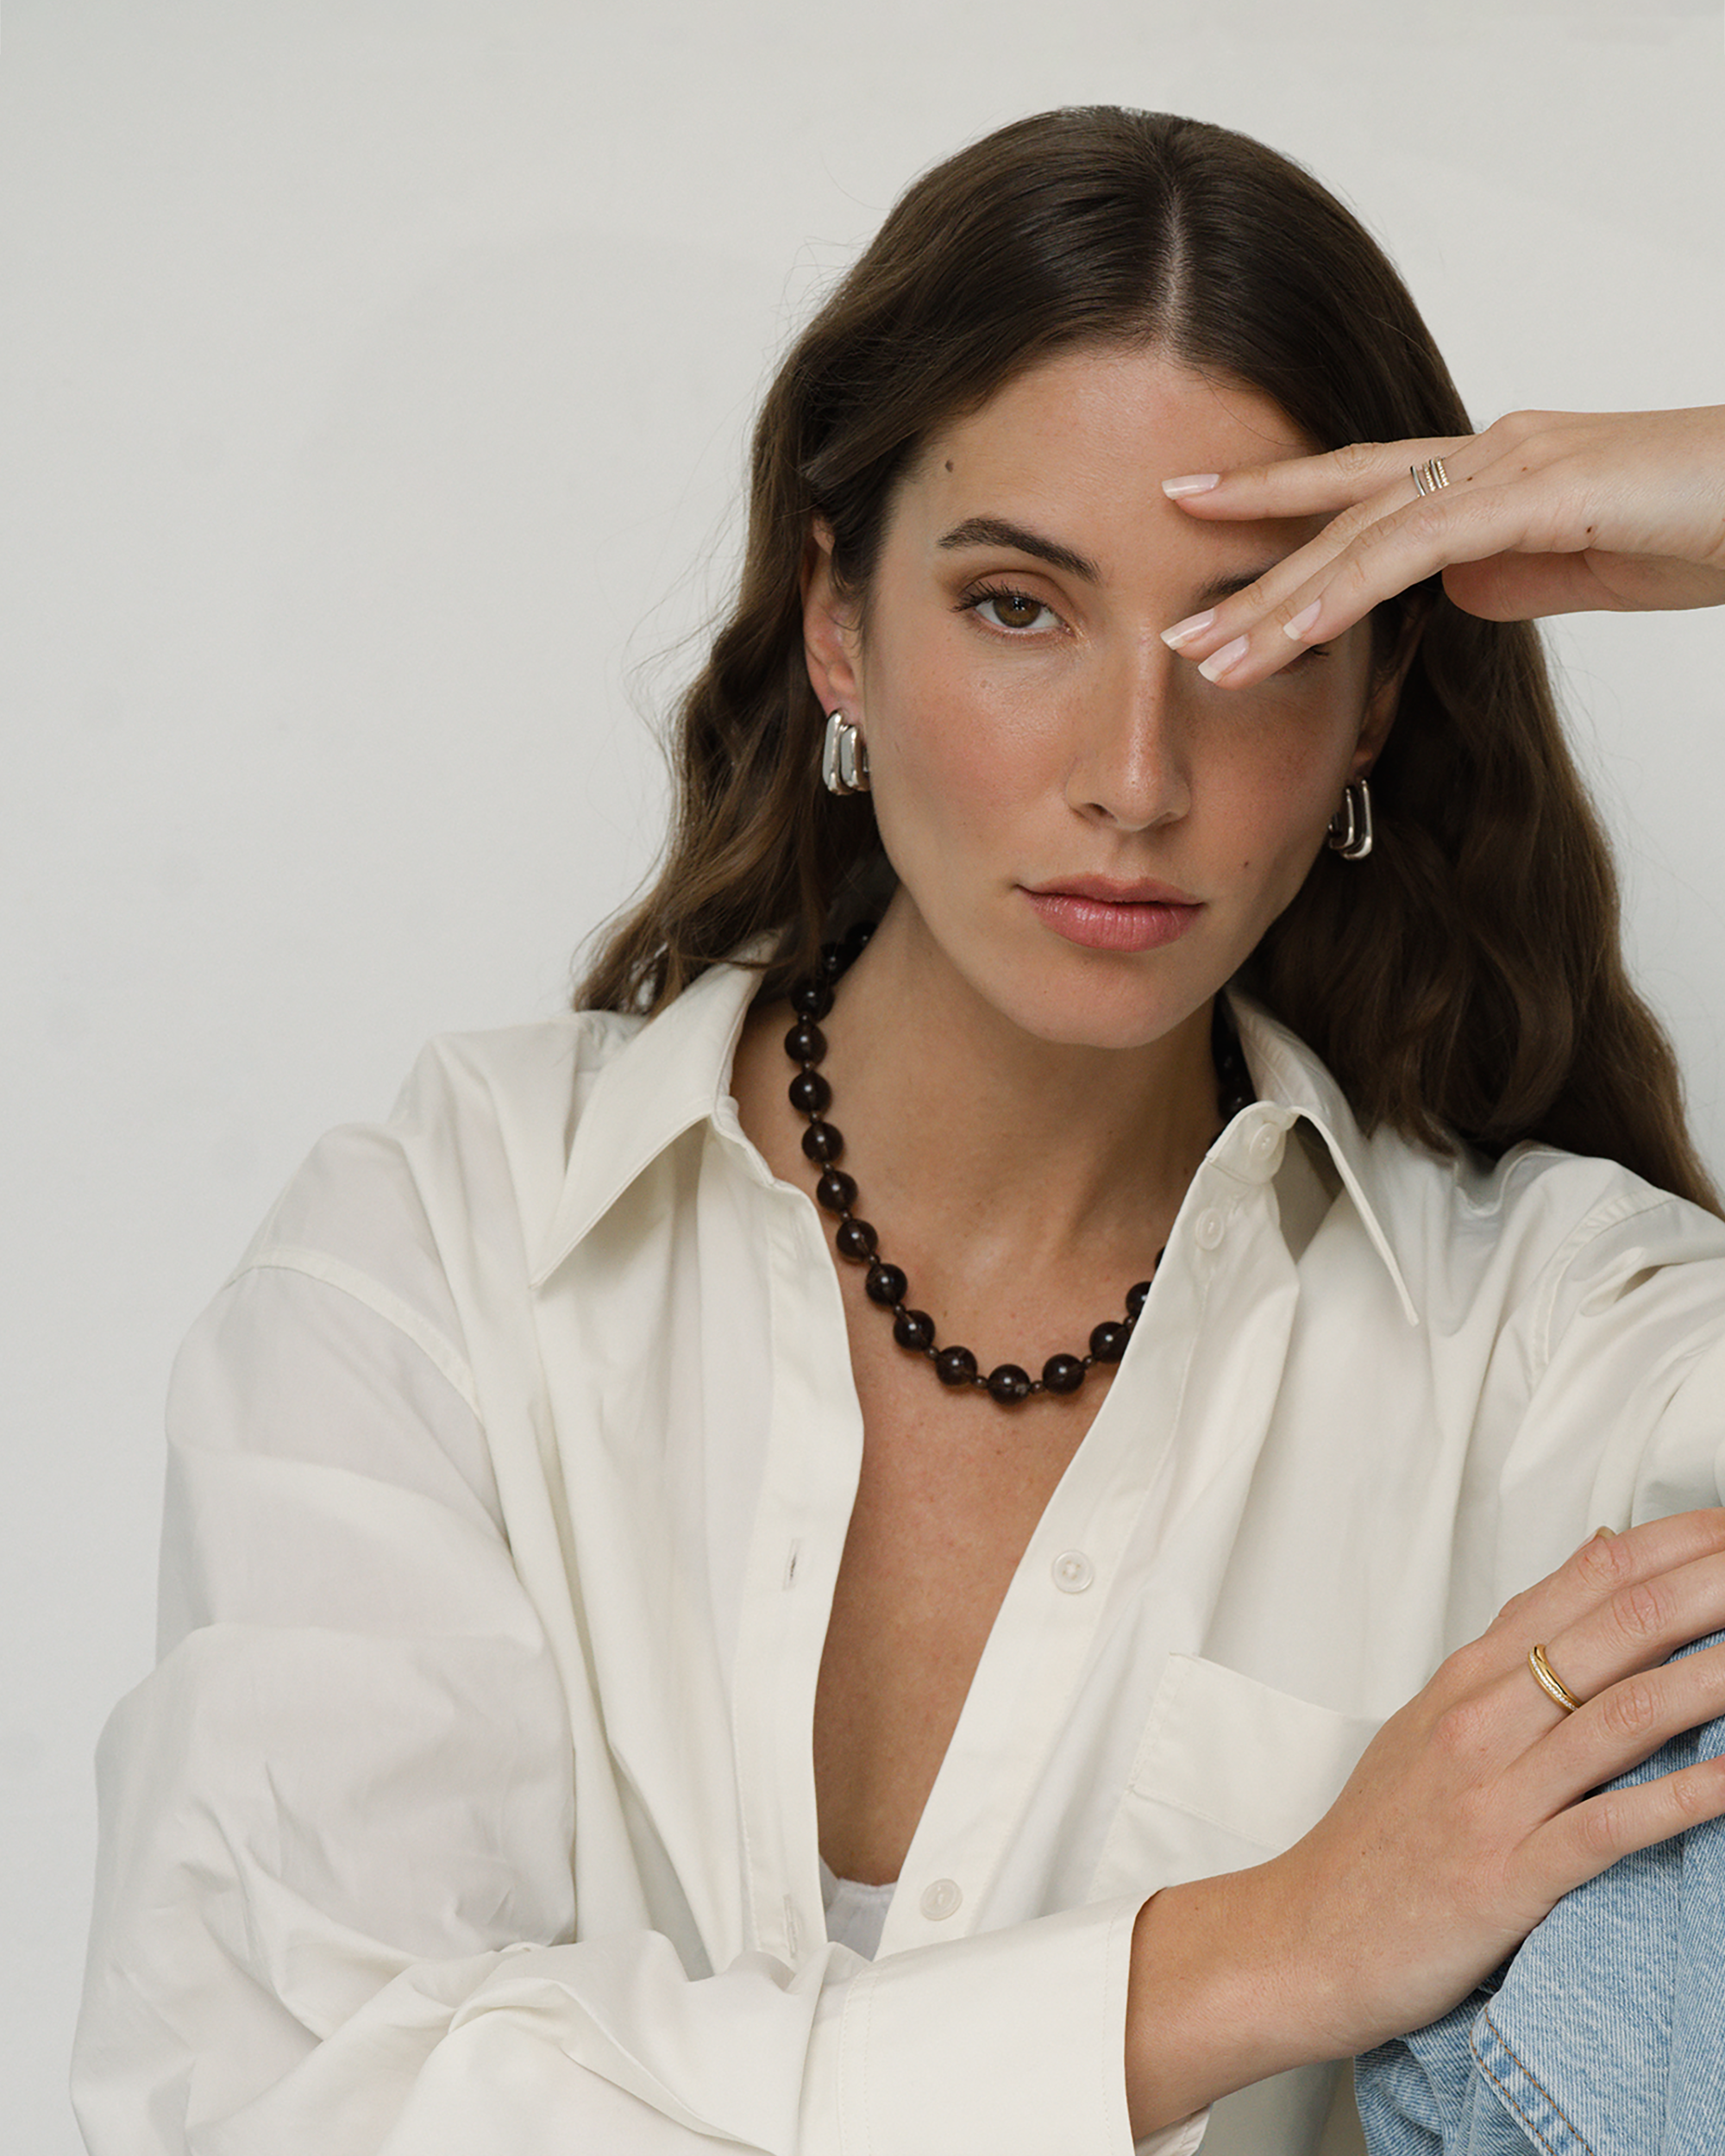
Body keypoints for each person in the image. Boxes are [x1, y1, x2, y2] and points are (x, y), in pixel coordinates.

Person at [72, 106, 1725, 2156]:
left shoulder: (1546, 1337)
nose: (1137, 773)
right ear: (835, 621)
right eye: (1021, 607)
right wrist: (1263, 1950)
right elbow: (272, 2096)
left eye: (1266, 629)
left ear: (1378, 695)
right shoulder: (444, 1244)